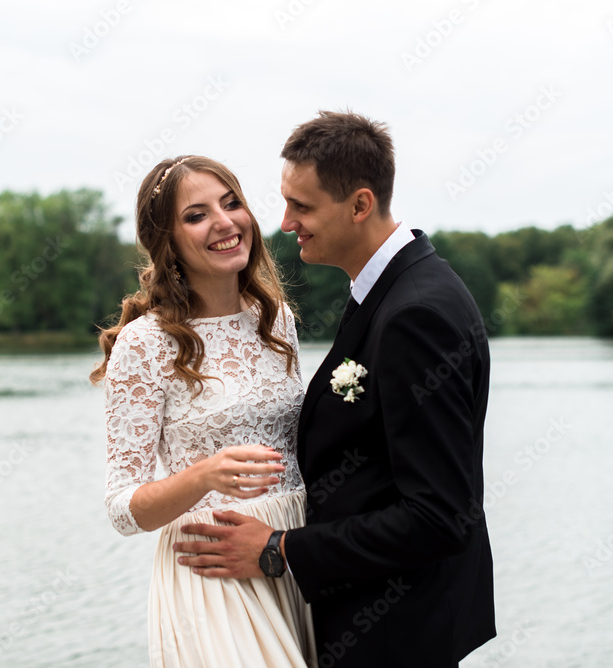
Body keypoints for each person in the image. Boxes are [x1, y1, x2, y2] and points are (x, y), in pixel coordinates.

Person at [173, 112, 496, 667]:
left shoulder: (415, 314)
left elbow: (440, 516)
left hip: (396, 633)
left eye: (302, 206)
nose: (286, 221)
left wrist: (278, 551)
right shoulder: (386, 289)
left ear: (360, 205)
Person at [91, 155, 317, 666]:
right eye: (196, 215)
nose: (224, 222)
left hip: (290, 553)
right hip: (215, 573)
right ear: (167, 241)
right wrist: (204, 476)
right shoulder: (144, 344)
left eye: (231, 203)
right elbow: (122, 509)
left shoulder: (276, 319)